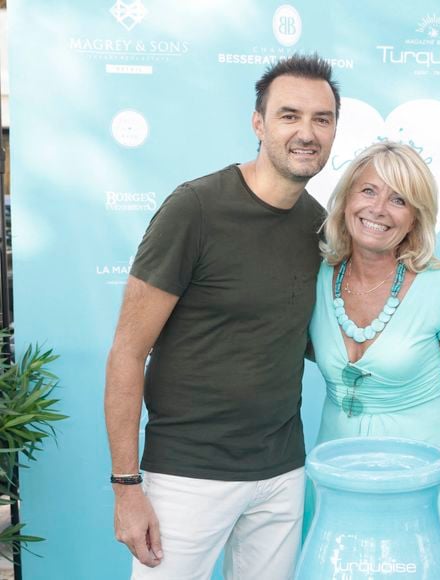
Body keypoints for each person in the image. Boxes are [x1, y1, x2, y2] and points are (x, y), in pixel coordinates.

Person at [104, 54, 340, 580]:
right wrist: (126, 487)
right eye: (289, 115)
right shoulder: (195, 209)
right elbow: (127, 350)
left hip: (282, 474)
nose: (307, 132)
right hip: (187, 475)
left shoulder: (320, 226)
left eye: (321, 119)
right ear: (258, 123)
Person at [306, 142, 440, 578]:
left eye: (399, 199)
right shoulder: (313, 276)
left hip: (422, 485)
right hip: (336, 475)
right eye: (368, 191)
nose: (379, 209)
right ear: (347, 199)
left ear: (415, 218)